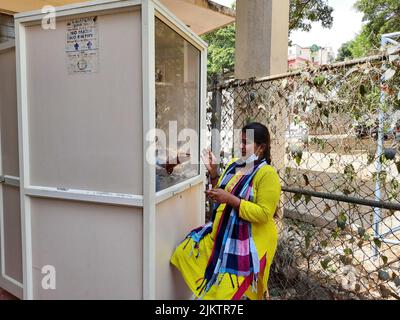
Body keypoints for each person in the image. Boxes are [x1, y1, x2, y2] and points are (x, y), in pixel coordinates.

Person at [170, 122, 281, 300]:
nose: (241, 146)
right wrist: (214, 174)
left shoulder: (267, 174)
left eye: (246, 142)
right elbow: (220, 194)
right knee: (184, 253)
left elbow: (264, 214)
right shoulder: (234, 165)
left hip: (248, 242)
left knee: (224, 292)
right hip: (224, 233)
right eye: (240, 141)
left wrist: (231, 200)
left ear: (261, 147)